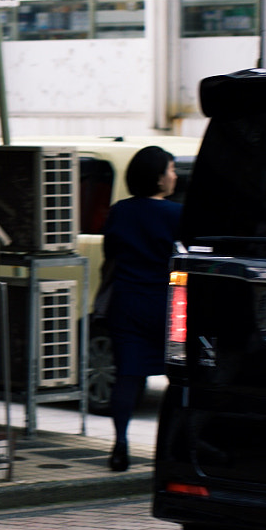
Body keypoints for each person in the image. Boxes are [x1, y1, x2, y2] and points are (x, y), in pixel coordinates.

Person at [98, 146, 182, 472]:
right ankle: (171, 451)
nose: (174, 176)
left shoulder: (119, 211)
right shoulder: (177, 214)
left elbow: (111, 259)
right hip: (166, 305)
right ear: (159, 178)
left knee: (127, 377)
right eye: (171, 169)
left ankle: (120, 445)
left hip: (127, 301)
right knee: (177, 379)